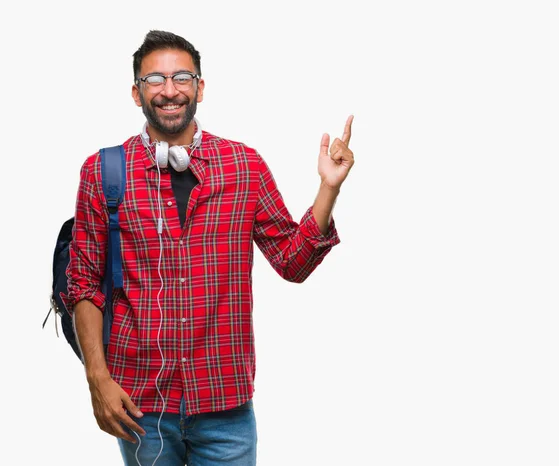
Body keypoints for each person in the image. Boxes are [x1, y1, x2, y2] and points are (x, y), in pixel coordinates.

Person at [64, 30, 354, 466]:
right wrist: (97, 379)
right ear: (135, 92)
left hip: (225, 404)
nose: (168, 90)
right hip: (140, 404)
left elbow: (292, 263)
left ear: (200, 87)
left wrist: (327, 190)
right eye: (154, 80)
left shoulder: (243, 165)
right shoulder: (103, 170)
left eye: (181, 77)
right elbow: (83, 283)